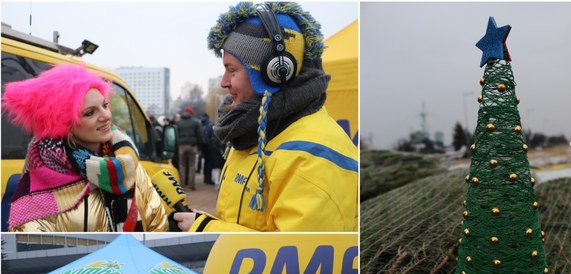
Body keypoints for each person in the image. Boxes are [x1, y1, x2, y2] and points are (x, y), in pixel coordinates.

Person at [173, 2, 358, 232]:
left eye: (232, 70)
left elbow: (298, 256)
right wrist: (210, 224)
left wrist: (206, 229)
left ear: (275, 73)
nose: (223, 82)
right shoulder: (251, 131)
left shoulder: (311, 155)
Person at [2, 64, 168, 232]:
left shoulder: (127, 163)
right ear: (65, 123)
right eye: (90, 113)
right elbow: (31, 248)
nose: (106, 116)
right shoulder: (40, 184)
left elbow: (157, 226)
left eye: (105, 105)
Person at [176, 107, 203, 190]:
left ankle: (182, 184)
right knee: (192, 165)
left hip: (181, 146)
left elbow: (176, 135)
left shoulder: (179, 122)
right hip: (192, 146)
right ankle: (191, 185)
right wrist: (199, 145)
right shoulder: (196, 122)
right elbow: (199, 135)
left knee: (182, 165)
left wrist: (178, 144)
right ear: (191, 113)